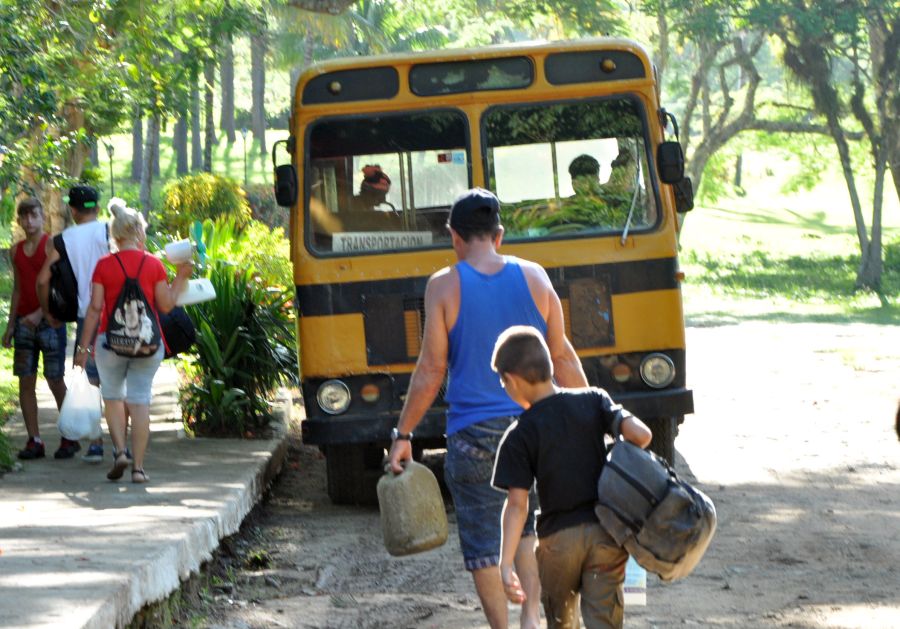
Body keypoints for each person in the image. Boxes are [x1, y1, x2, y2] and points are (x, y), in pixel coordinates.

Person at [387, 187, 588, 629]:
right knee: (531, 527)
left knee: (484, 540)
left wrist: (404, 435)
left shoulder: (442, 286)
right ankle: (531, 616)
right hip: (539, 427)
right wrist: (592, 416)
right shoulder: (535, 277)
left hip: (475, 436)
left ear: (454, 237)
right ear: (499, 235)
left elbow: (431, 369)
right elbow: (564, 356)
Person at [490, 325, 652, 629]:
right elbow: (642, 435)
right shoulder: (593, 400)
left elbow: (516, 505)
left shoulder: (519, 434)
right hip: (605, 532)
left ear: (511, 380)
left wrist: (506, 562)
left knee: (562, 623)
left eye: (502, 382)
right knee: (605, 620)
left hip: (557, 543)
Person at [74, 200, 191, 484]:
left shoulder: (103, 266)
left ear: (114, 234)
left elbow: (94, 310)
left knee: (112, 398)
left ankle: (119, 452)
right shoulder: (153, 264)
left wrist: (83, 348)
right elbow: (165, 306)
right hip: (147, 345)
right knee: (140, 403)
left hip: (109, 344)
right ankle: (138, 469)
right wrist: (181, 277)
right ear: (139, 232)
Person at [36, 184, 111, 461]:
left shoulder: (62, 240)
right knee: (119, 376)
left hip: (86, 314)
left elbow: (42, 279)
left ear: (72, 210)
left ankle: (96, 444)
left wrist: (49, 313)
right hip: (116, 313)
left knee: (91, 380)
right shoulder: (110, 230)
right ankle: (123, 447)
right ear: (98, 208)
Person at [2, 198, 67, 459]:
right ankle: (34, 439)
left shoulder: (51, 244)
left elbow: (58, 285)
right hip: (23, 325)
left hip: (50, 321)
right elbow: (18, 289)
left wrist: (41, 312)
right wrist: (10, 326)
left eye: (34, 215)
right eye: (24, 216)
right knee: (25, 381)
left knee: (55, 380)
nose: (29, 221)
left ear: (43, 217)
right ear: (18, 220)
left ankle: (69, 436)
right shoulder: (15, 251)